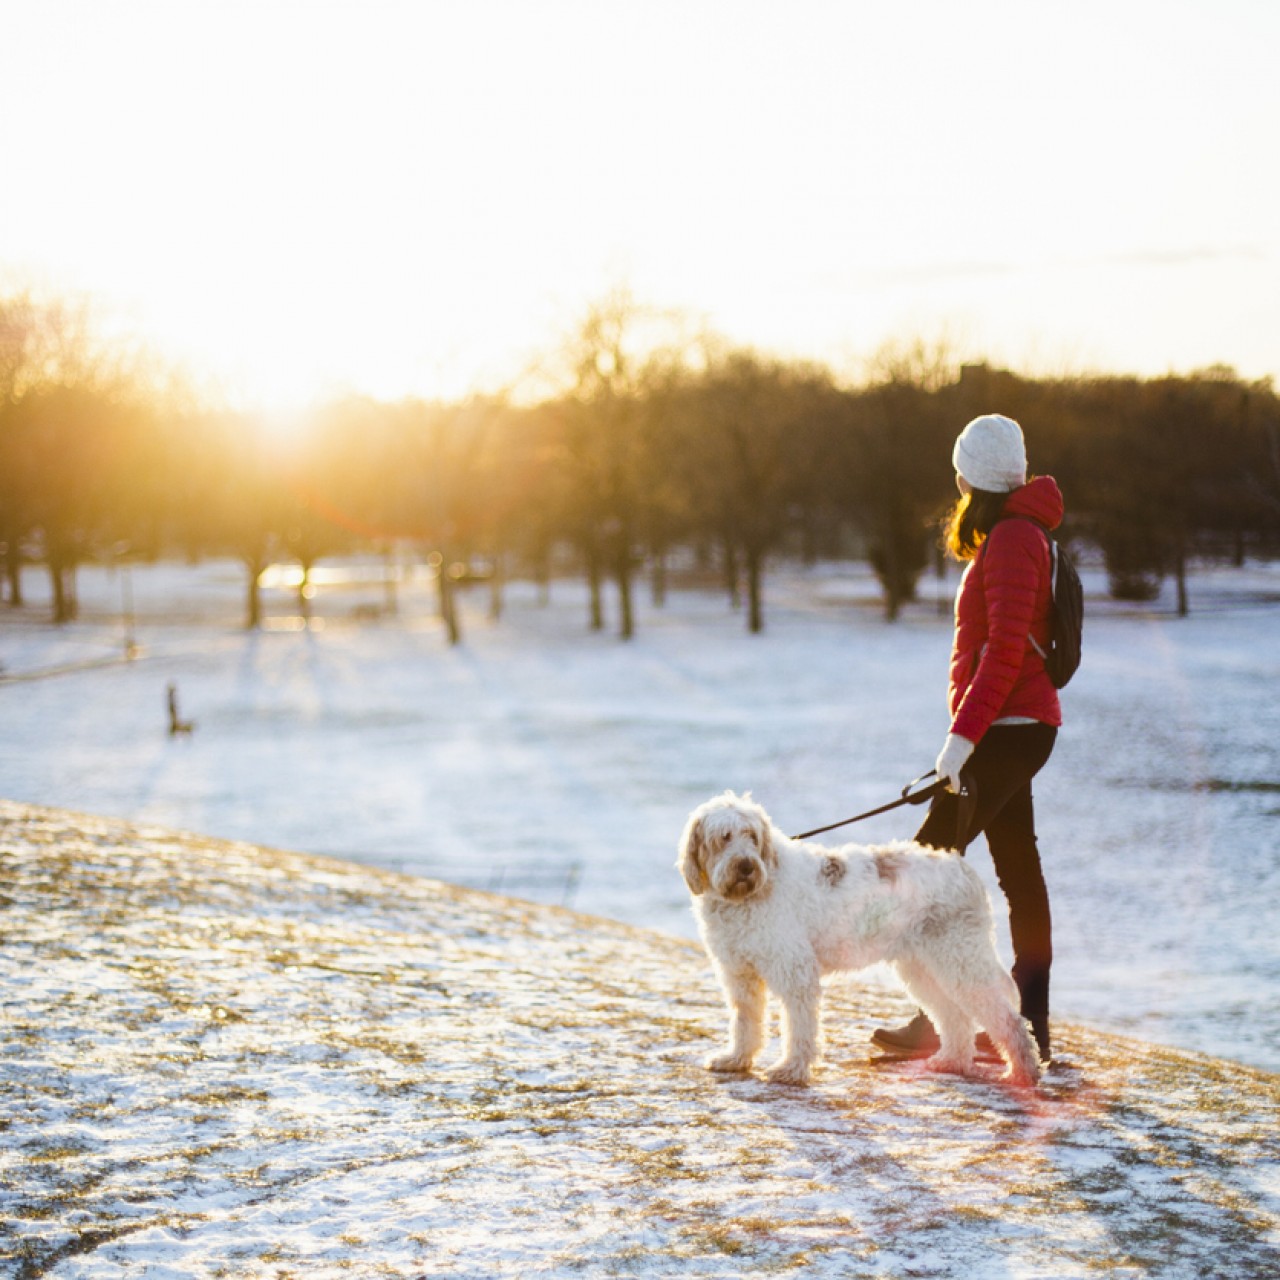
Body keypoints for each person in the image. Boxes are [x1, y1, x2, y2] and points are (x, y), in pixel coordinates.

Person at [872, 413, 1062, 1064]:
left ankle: (942, 1024)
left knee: (923, 865)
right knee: (1017, 874)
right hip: (1013, 728)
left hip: (1008, 729)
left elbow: (1004, 652)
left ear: (967, 479)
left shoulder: (1012, 537)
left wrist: (960, 745)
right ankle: (1024, 1024)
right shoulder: (1020, 533)